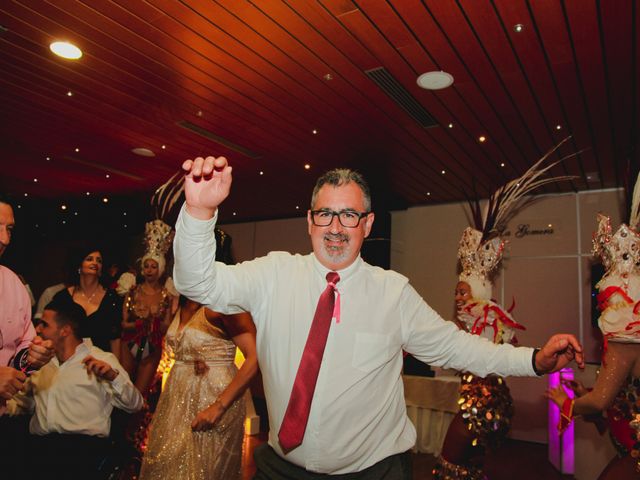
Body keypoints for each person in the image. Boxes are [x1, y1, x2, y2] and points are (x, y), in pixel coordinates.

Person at [173, 156, 585, 479]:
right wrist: (198, 211)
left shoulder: (393, 293)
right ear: (309, 222)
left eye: (349, 215)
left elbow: (457, 347)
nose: (336, 227)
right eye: (325, 214)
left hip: (374, 472)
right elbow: (198, 284)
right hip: (281, 469)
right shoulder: (273, 274)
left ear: (367, 224)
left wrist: (533, 360)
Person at [546, 187, 640, 478]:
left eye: (606, 290)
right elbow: (624, 394)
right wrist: (588, 391)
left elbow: (601, 401)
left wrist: (568, 404)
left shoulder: (628, 338)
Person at [7, 296, 143, 480]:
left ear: (65, 330)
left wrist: (112, 377)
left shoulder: (102, 359)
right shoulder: (40, 363)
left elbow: (135, 404)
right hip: (39, 453)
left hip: (83, 456)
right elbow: (22, 404)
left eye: (44, 325)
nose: (37, 329)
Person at [139, 296, 257, 479]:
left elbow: (254, 358)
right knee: (168, 465)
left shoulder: (224, 304)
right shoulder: (180, 305)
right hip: (177, 397)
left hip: (211, 397)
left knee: (205, 469)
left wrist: (219, 407)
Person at [0, 194, 54, 405]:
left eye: (9, 229)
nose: (4, 239)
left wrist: (32, 358)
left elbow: (20, 352)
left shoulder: (13, 285)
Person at [120, 219, 177, 396]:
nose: (149, 270)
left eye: (154, 266)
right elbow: (123, 325)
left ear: (160, 269)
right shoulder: (132, 291)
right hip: (129, 344)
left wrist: (154, 320)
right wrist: (140, 321)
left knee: (139, 395)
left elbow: (167, 328)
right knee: (122, 391)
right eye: (146, 266)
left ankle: (137, 424)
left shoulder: (166, 294)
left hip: (152, 348)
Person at [52, 246, 122, 358]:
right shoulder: (63, 297)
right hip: (69, 360)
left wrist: (115, 367)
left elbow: (115, 338)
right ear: (79, 265)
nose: (95, 263)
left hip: (101, 362)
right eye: (89, 259)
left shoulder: (112, 298)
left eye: (99, 261)